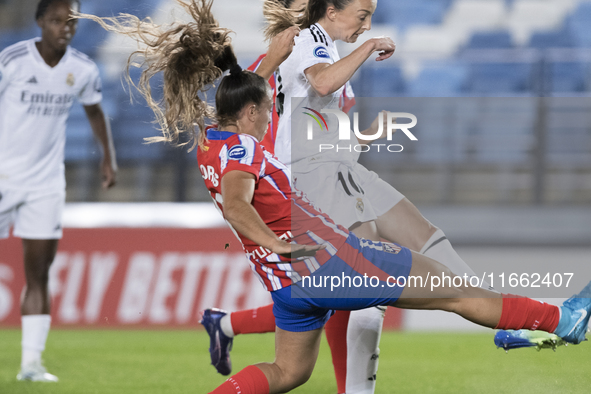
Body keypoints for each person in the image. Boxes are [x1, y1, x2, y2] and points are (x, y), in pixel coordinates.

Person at [79, 1, 590, 393]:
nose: (273, 108)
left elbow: (253, 90)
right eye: (268, 106)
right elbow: (240, 199)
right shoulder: (250, 153)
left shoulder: (215, 143)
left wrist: (272, 64)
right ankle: (557, 320)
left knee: (289, 371)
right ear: (255, 112)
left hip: (288, 285)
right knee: (455, 292)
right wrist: (276, 239)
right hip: (321, 254)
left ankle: (229, 335)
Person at [0, 0, 117, 382]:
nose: (64, 28)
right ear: (39, 23)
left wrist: (107, 158)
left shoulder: (82, 69)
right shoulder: (13, 60)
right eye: (56, 21)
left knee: (39, 275)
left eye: (71, 22)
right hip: (3, 178)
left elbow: (95, 111)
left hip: (47, 184)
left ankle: (31, 366)